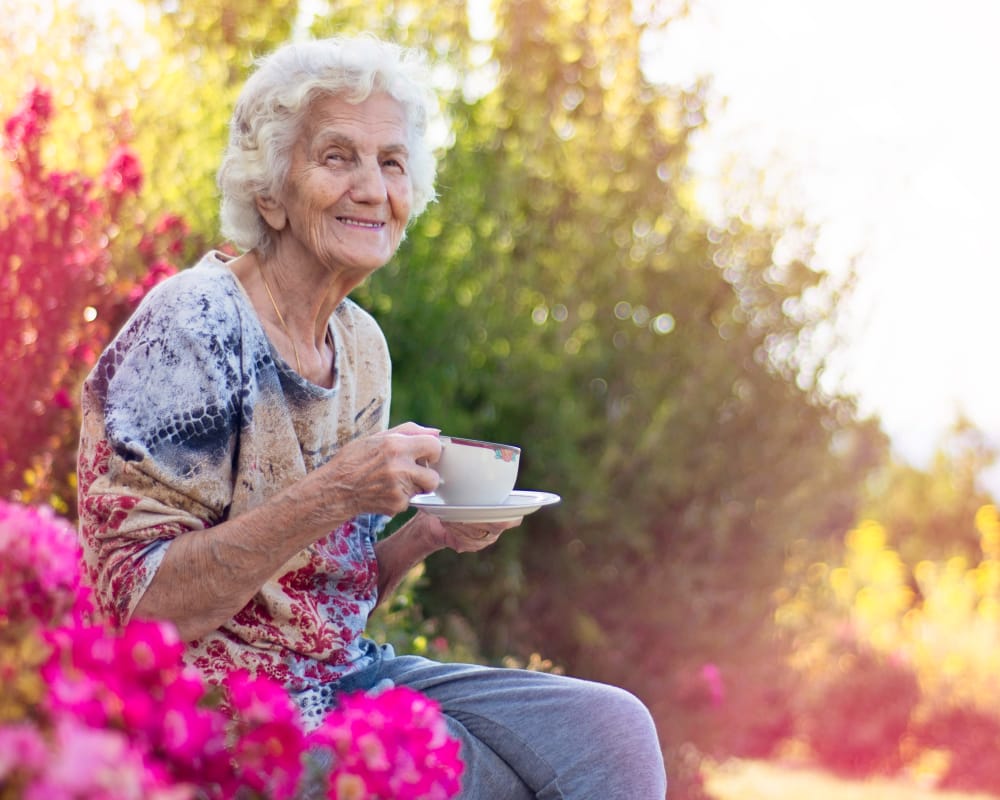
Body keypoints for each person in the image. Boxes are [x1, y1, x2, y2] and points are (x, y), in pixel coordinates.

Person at [77, 33, 667, 799]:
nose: (370, 186)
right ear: (269, 191)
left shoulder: (359, 346)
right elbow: (136, 607)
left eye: (391, 163)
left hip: (340, 680)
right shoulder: (194, 325)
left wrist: (423, 534)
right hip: (215, 709)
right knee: (454, 774)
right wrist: (337, 492)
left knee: (610, 733)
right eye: (336, 157)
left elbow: (321, 606)